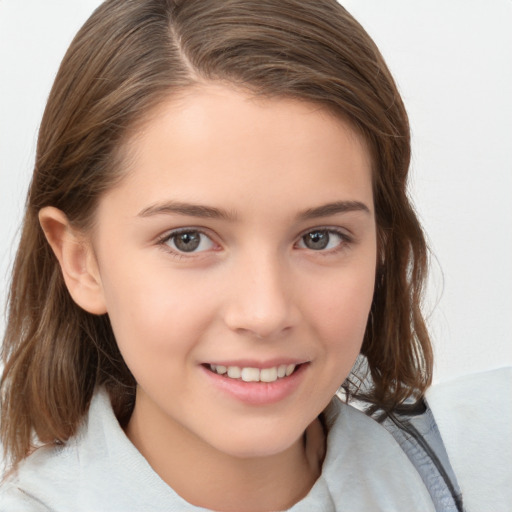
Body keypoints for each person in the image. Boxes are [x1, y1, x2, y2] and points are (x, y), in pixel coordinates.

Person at [0, 0, 466, 510]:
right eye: (188, 240)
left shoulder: (464, 474)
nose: (265, 313)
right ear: (80, 261)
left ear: (381, 245)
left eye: (320, 237)